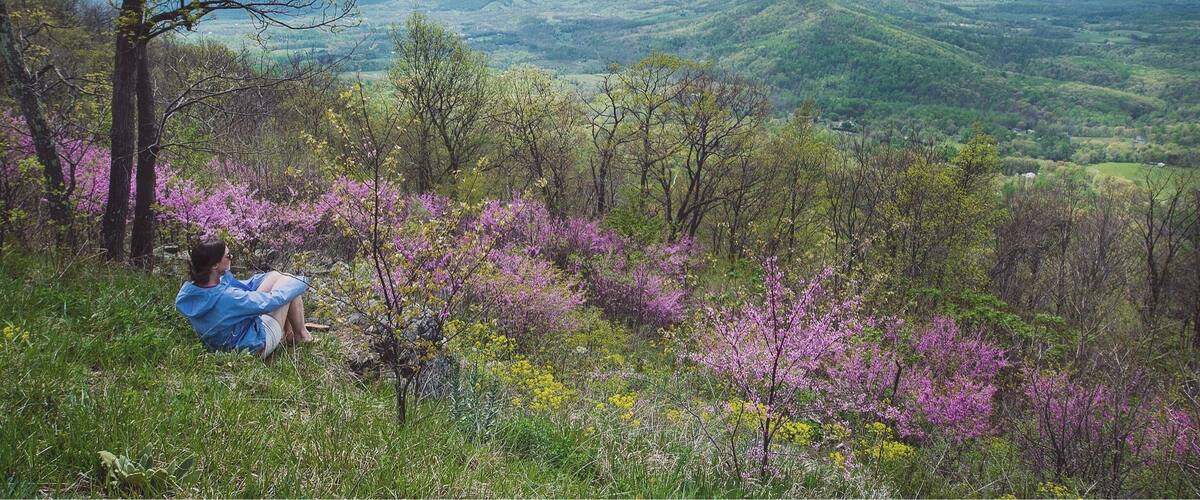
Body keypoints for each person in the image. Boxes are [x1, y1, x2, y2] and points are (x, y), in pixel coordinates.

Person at [175, 238, 313, 359]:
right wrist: (302, 282)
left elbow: (246, 286)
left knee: (280, 277)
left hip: (222, 343)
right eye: (228, 255)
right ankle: (301, 336)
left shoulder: (191, 291)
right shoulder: (228, 297)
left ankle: (291, 335)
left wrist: (279, 278)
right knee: (290, 287)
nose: (232, 257)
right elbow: (273, 300)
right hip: (251, 348)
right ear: (215, 265)